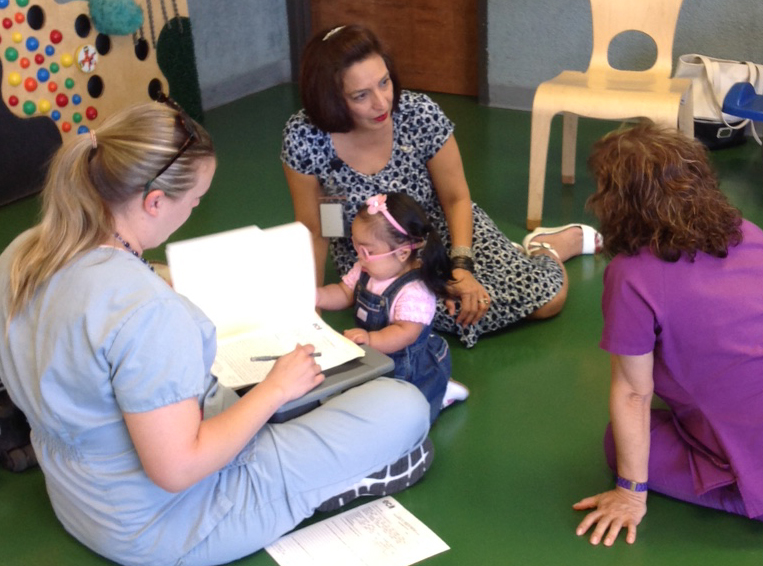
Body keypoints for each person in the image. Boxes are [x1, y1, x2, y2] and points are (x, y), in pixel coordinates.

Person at [0, 99, 434, 566]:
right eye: (195, 200)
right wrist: (273, 390)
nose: (196, 207)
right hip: (170, 525)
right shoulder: (149, 314)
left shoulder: (24, 252)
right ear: (154, 201)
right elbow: (177, 468)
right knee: (403, 406)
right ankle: (323, 485)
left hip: (78, 499)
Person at [281, 24, 601, 349]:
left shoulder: (420, 113)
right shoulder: (305, 136)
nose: (382, 103)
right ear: (330, 98)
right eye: (361, 96)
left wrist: (461, 267)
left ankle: (549, 247)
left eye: (384, 82)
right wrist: (312, 313)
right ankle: (513, 255)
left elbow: (456, 198)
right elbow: (315, 227)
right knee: (427, 314)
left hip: (440, 230)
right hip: (376, 252)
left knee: (548, 301)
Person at [573, 123, 763, 547]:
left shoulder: (631, 276)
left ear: (615, 202)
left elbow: (633, 393)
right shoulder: (746, 232)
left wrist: (629, 492)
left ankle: (738, 493)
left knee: (617, 441)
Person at [317, 192, 469, 423]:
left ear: (402, 253)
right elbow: (343, 292)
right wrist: (316, 296)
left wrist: (370, 339)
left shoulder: (414, 291)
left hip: (411, 369)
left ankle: (442, 392)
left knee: (411, 418)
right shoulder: (366, 268)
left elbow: (405, 333)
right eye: (356, 246)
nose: (360, 256)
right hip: (375, 357)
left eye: (367, 250)